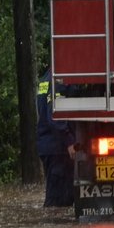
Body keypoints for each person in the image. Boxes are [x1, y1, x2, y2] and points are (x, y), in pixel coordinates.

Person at [37, 69, 76, 207]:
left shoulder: (46, 77)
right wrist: (70, 141)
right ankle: (53, 226)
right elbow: (55, 116)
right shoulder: (59, 79)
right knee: (57, 203)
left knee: (59, 199)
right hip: (58, 149)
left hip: (50, 146)